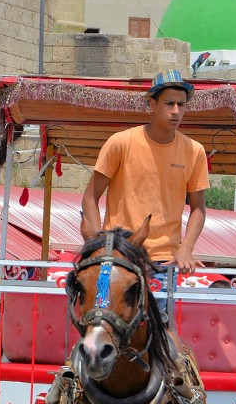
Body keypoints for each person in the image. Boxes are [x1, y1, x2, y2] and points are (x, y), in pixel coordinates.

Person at [81, 69, 209, 312]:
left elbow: (198, 209)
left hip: (163, 262)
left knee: (157, 336)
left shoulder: (194, 151)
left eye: (181, 104)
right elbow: (90, 198)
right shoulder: (121, 142)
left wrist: (186, 248)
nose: (176, 111)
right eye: (169, 103)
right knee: (105, 329)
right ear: (152, 104)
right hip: (118, 255)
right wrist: (99, 244)